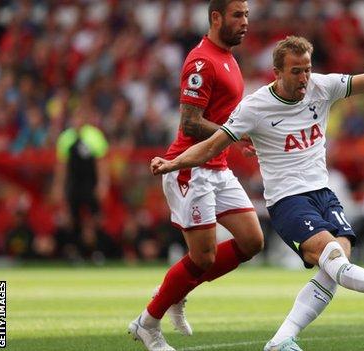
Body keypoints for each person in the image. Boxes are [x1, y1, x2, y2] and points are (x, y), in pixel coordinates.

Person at [150, 35, 364, 351]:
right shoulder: (256, 106)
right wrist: (173, 162)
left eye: (307, 70)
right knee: (331, 259)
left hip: (324, 194)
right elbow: (212, 145)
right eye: (296, 72)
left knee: (334, 267)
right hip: (289, 202)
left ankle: (281, 339)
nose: (304, 79)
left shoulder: (321, 87)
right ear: (277, 72)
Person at [128, 2, 264, 351]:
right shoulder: (201, 61)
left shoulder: (230, 59)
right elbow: (190, 122)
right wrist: (233, 136)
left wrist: (241, 136)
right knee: (201, 257)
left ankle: (177, 290)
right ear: (216, 17)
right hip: (190, 168)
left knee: (252, 242)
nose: (245, 22)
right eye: (238, 15)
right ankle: (148, 323)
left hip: (218, 166)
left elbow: (225, 121)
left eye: (247, 15)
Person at [52, 101, 110, 262]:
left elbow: (101, 163)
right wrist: (58, 186)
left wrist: (103, 183)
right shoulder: (66, 138)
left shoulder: (94, 136)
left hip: (90, 184)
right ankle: (76, 252)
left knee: (95, 218)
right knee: (72, 219)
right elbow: (61, 166)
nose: (78, 120)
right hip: (73, 185)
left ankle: (97, 251)